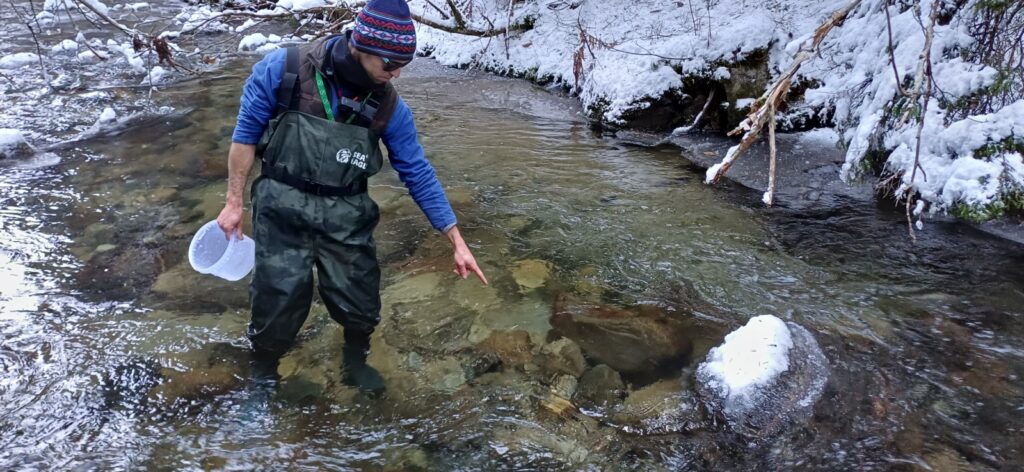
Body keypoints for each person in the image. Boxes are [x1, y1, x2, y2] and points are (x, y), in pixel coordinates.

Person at [216, 0, 488, 393]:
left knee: (361, 303)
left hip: (347, 216)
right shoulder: (284, 69)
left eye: (402, 67)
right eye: (390, 65)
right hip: (281, 211)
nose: (395, 74)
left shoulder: (391, 107)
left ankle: (354, 361)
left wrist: (456, 240)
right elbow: (244, 138)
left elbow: (417, 171)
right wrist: (233, 202)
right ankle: (263, 377)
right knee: (276, 300)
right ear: (361, 45)